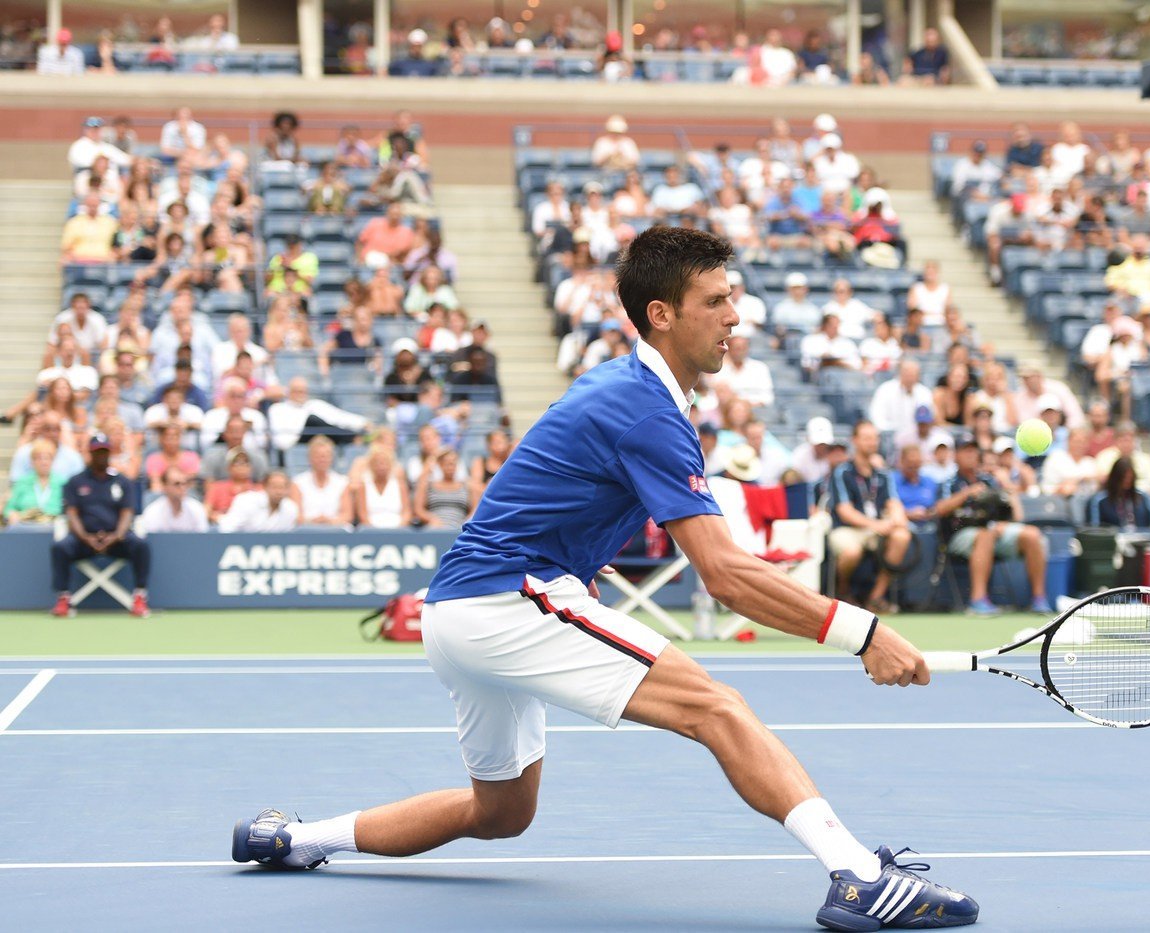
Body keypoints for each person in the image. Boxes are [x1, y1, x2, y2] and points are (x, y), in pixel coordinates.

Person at [231, 226, 976, 932]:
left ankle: (292, 837)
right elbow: (725, 574)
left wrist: (583, 547)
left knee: (502, 813)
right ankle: (858, 875)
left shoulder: (626, 387)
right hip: (507, 599)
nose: (734, 316)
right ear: (661, 315)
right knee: (716, 706)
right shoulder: (645, 408)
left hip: (460, 611)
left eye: (731, 297)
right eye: (714, 301)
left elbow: (552, 490)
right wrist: (864, 632)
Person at [934, 434, 1050, 616]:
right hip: (958, 536)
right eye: (966, 451)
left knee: (1032, 534)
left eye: (973, 450)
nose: (971, 455)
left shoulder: (989, 481)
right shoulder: (949, 482)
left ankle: (1039, 599)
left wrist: (1006, 487)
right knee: (985, 535)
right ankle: (977, 600)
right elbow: (939, 509)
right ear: (956, 455)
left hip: (993, 531)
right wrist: (967, 494)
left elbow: (1016, 516)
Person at [50, 435, 151, 619]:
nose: (101, 456)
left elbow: (127, 512)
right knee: (61, 547)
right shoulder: (75, 482)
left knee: (140, 545)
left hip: (116, 539)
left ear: (110, 453)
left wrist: (117, 536)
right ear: (90, 454)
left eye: (104, 452)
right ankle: (63, 597)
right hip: (84, 539)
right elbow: (71, 513)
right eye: (97, 452)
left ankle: (140, 596)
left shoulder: (122, 481)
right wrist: (84, 537)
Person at [828, 421, 913, 615]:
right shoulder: (842, 472)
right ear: (855, 441)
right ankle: (844, 592)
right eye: (867, 438)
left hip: (875, 528)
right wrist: (876, 525)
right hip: (847, 528)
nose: (872, 442)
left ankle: (876, 597)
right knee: (851, 551)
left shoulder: (883, 474)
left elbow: (893, 502)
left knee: (902, 536)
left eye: (875, 438)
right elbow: (845, 511)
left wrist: (898, 517)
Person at [291, 436, 353, 527]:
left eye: (326, 456)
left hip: (336, 531)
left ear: (332, 458)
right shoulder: (297, 482)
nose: (322, 459)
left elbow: (347, 515)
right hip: (307, 531)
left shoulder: (343, 482)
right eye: (318, 456)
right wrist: (312, 521)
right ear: (310, 458)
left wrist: (330, 522)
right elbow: (296, 515)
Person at [3, 438, 65, 524]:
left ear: (53, 461)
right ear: (32, 462)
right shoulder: (22, 482)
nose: (44, 462)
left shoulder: (63, 482)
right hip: (26, 526)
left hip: (53, 526)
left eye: (47, 458)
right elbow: (9, 508)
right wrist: (12, 514)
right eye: (39, 458)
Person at [868, 359, 934, 437]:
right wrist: (892, 431)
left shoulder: (924, 392)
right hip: (890, 435)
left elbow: (929, 418)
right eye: (907, 373)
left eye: (913, 374)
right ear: (900, 373)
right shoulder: (885, 389)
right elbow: (877, 416)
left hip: (917, 437)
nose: (910, 377)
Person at [219, 471, 299, 532]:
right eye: (274, 487)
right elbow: (226, 528)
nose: (279, 492)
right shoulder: (246, 501)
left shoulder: (290, 508)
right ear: (264, 487)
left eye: (282, 487)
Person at [1087, 457, 1150, 529]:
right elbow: (1095, 529)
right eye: (1124, 478)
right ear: (1115, 477)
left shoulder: (1143, 497)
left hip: (1142, 537)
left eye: (1130, 478)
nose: (1127, 481)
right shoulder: (1099, 500)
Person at [140, 466, 210, 533]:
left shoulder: (197, 509)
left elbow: (202, 539)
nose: (182, 488)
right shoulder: (152, 512)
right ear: (165, 486)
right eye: (177, 484)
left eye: (184, 483)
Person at [414, 449, 471, 528]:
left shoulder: (467, 485)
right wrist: (431, 519)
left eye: (453, 463)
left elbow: (475, 510)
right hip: (434, 529)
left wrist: (466, 523)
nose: (450, 467)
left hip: (459, 529)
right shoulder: (430, 485)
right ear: (440, 464)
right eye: (446, 463)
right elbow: (418, 509)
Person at [892, 444, 939, 524]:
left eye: (917, 464)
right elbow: (886, 509)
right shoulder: (892, 481)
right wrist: (908, 514)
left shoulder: (930, 482)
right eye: (910, 464)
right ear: (902, 461)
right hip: (902, 524)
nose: (913, 467)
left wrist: (929, 513)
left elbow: (938, 507)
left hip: (928, 525)